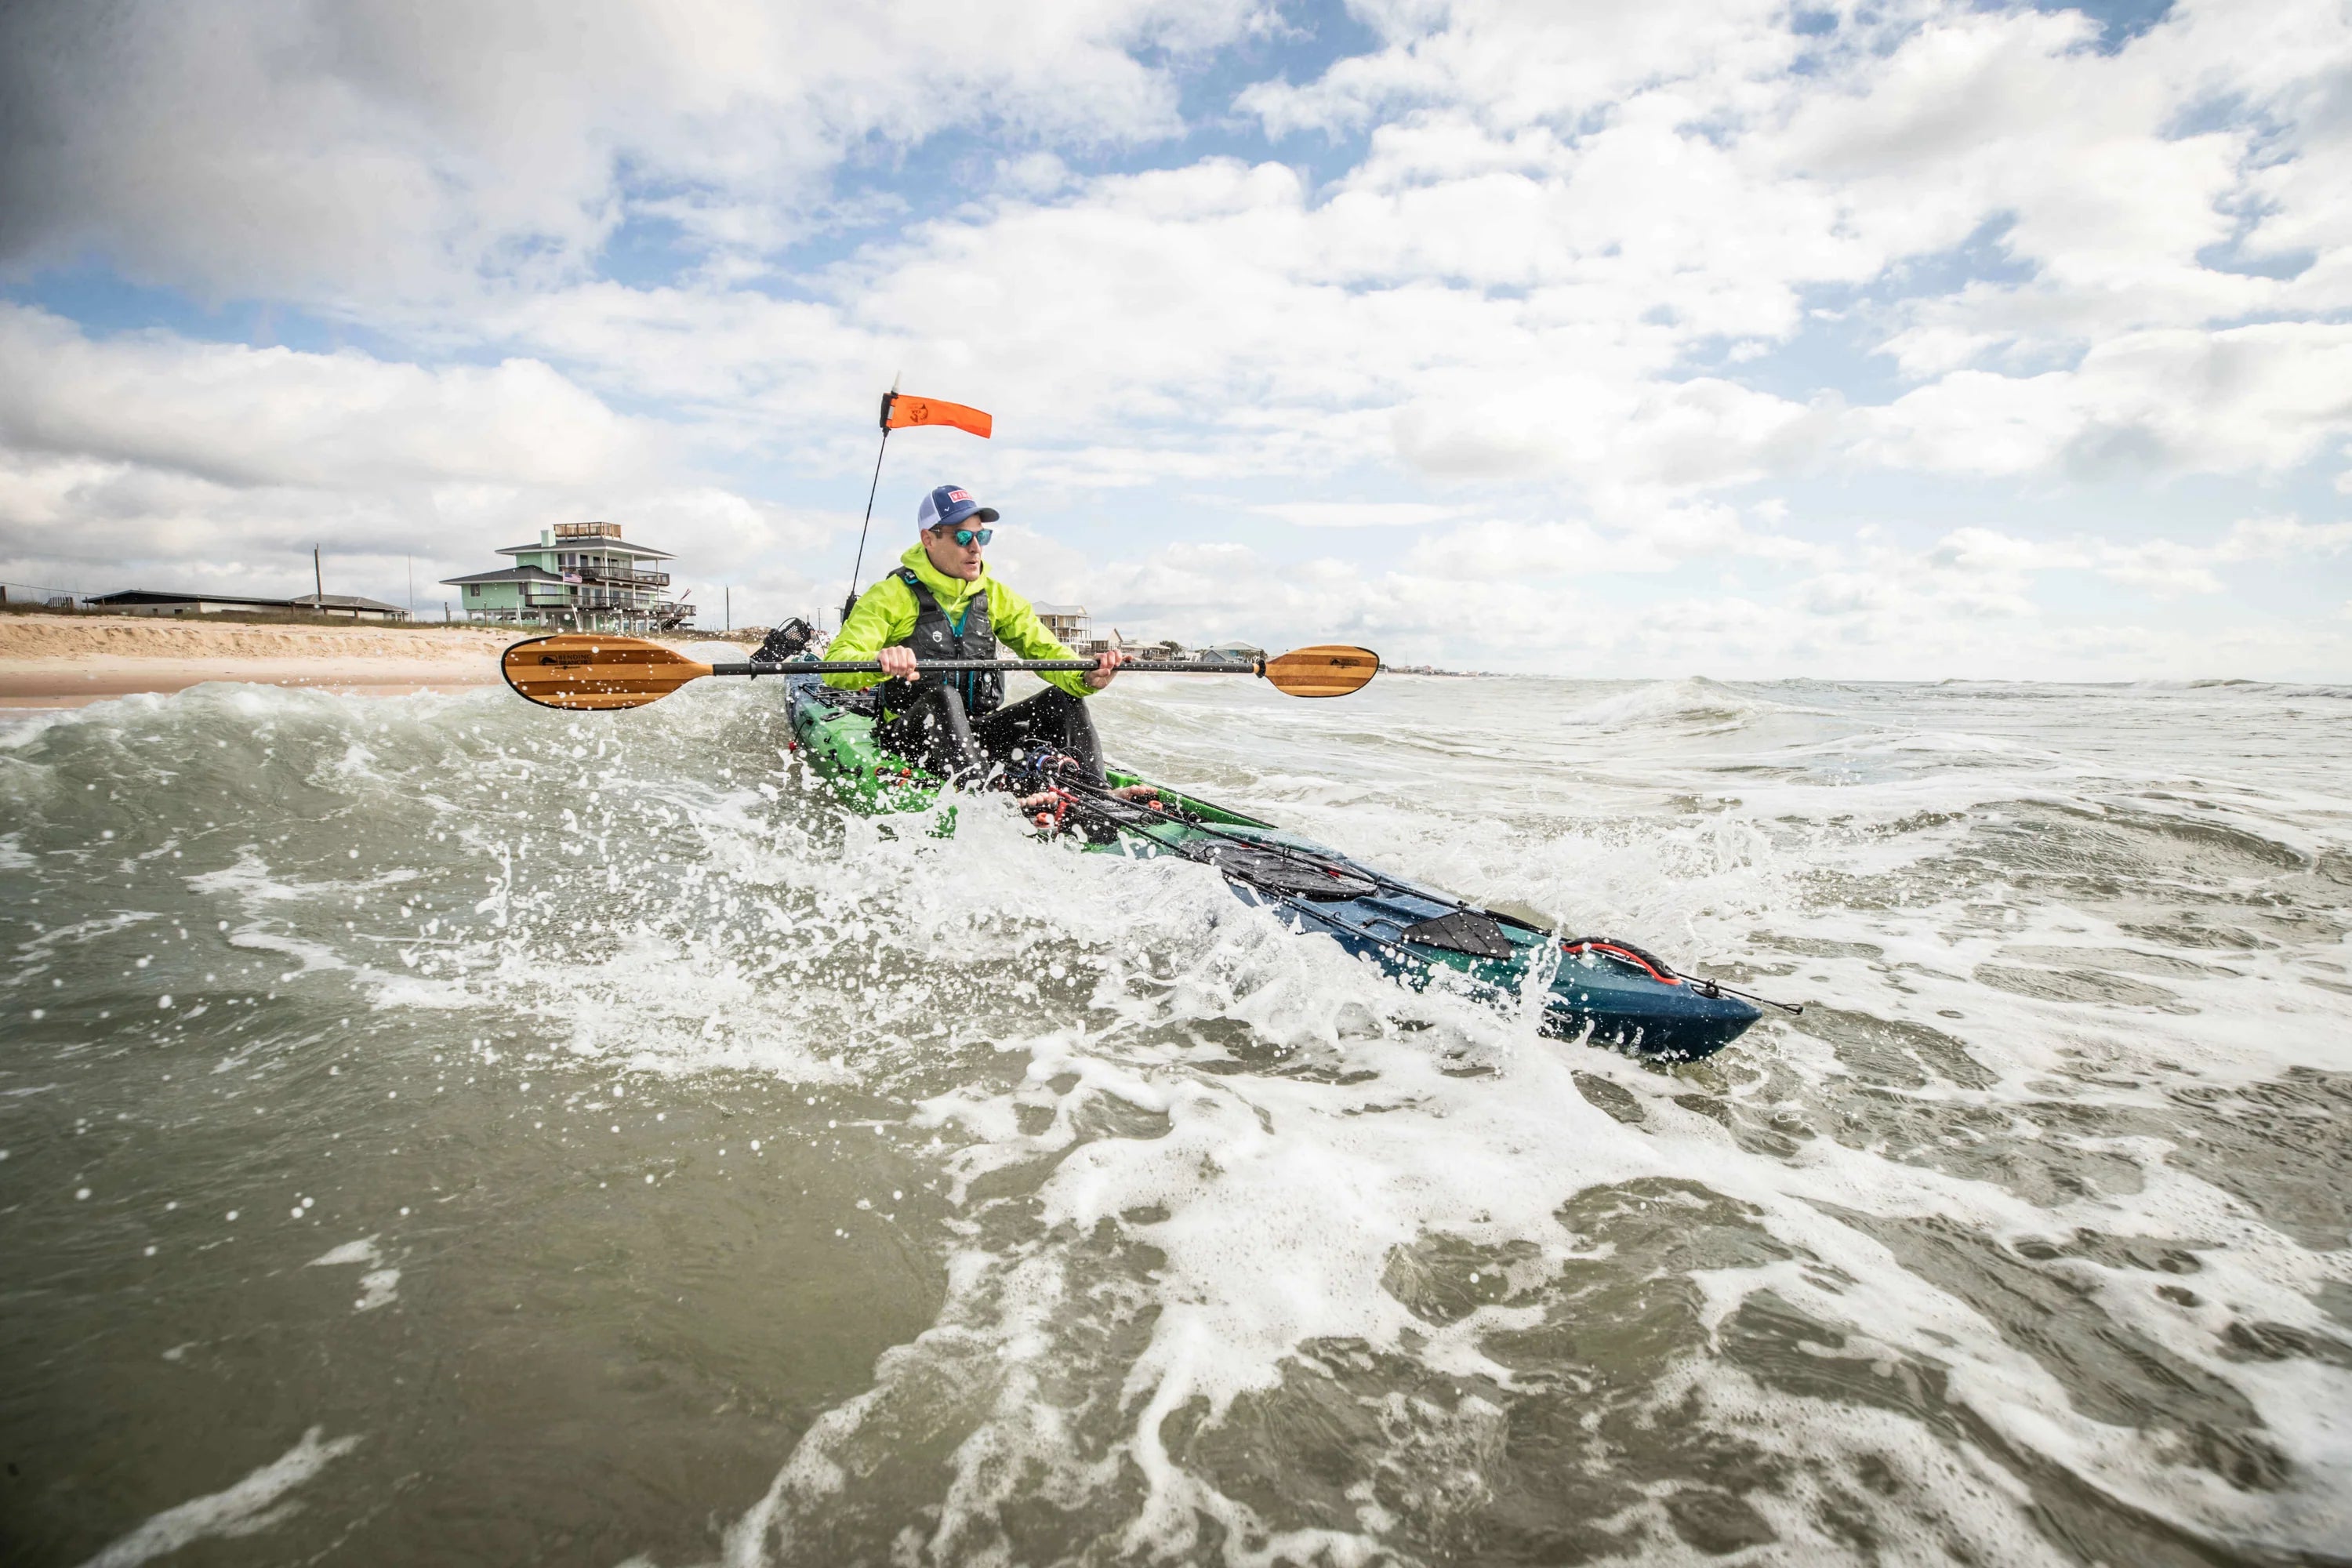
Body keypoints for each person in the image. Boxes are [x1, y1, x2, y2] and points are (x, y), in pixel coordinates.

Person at [824, 483, 1127, 789]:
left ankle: (1098, 798)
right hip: (910, 736)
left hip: (976, 732)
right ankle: (983, 804)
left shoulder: (996, 596)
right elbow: (837, 663)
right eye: (963, 537)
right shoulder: (890, 595)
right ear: (928, 539)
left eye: (981, 536)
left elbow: (1043, 648)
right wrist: (879, 658)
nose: (976, 548)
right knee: (944, 697)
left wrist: (1085, 676)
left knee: (1064, 699)